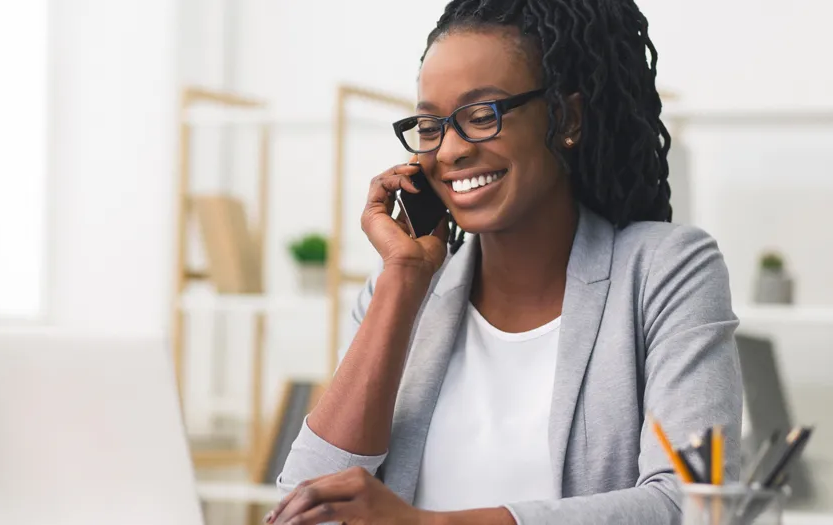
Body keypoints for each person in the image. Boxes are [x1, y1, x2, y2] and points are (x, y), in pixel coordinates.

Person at [268, 0, 742, 523]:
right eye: (430, 125)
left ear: (568, 117)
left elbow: (695, 501)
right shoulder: (401, 292)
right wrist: (402, 281)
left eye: (480, 116)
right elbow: (305, 504)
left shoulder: (665, 269)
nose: (448, 150)